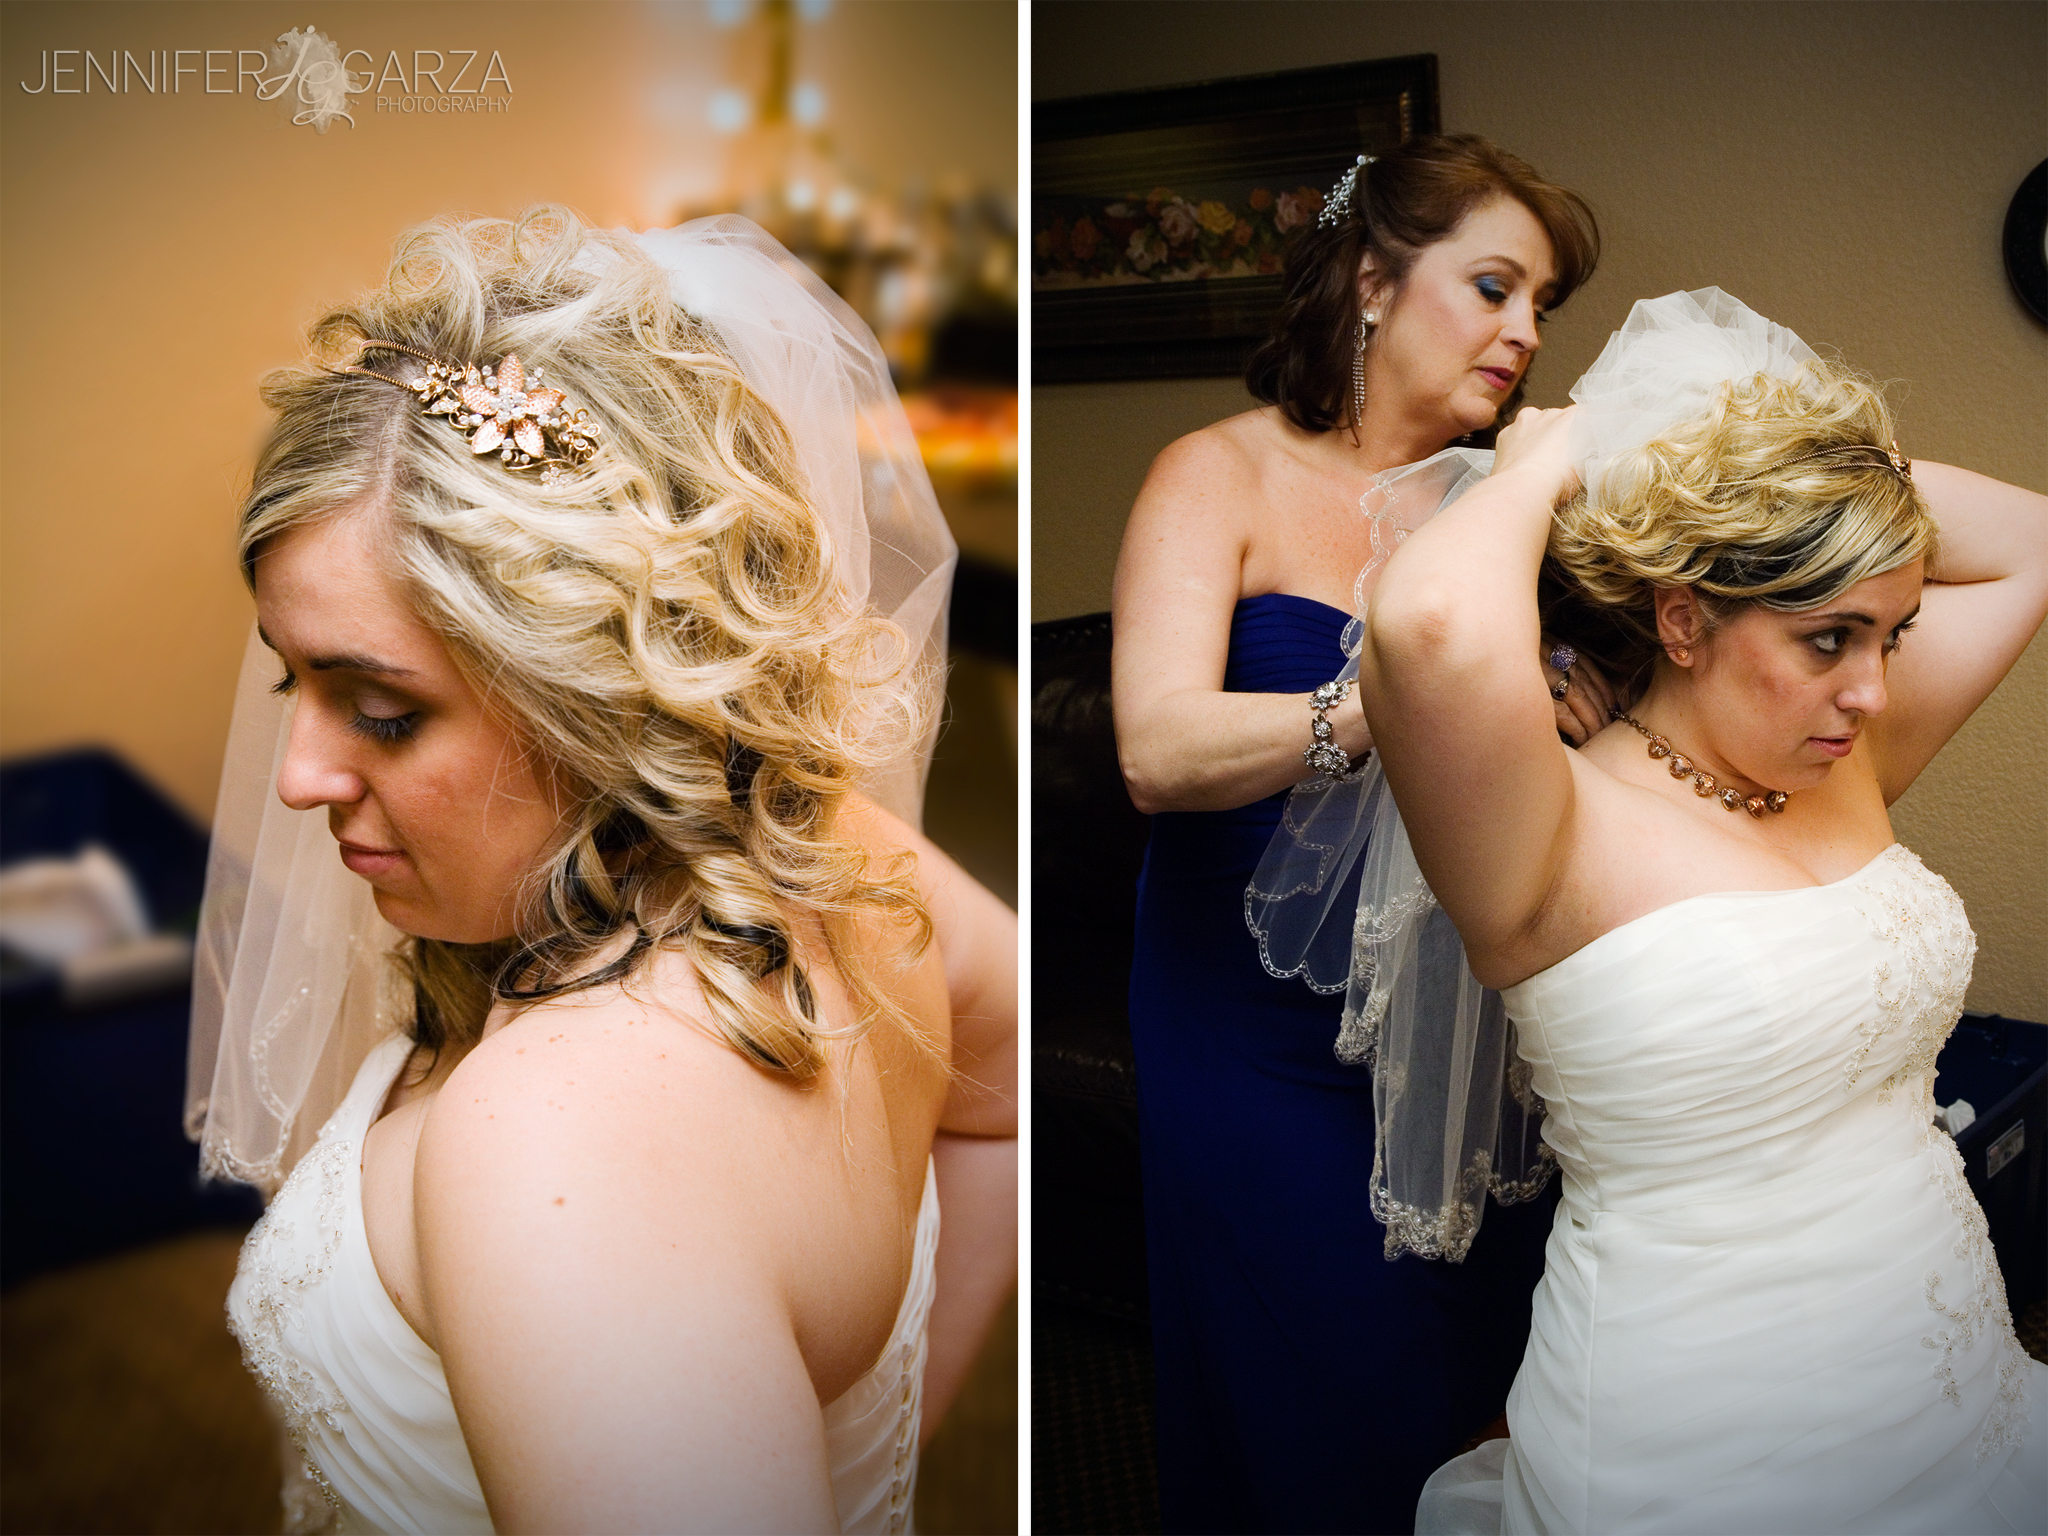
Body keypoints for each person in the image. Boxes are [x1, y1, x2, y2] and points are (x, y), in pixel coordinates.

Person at [185, 209, 1017, 1535]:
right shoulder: (837, 845)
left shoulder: (556, 1142)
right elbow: (1006, 1086)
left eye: (383, 711)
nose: (297, 776)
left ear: (600, 697)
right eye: (295, 680)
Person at [1338, 288, 2047, 1532]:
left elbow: (2034, 537)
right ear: (1680, 618)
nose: (1873, 689)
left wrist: (1793, 463)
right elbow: (1431, 620)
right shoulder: (1547, 834)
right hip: (1699, 1426)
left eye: (1893, 633)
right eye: (1828, 639)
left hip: (1944, 1350)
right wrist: (1559, 455)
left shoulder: (1844, 766)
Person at [1108, 134, 1606, 1533]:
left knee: (1479, 1382)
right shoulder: (1218, 476)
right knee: (1318, 1388)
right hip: (1246, 1025)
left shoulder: (1500, 506)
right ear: (1377, 281)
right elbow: (1154, 748)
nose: (1522, 332)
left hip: (1452, 1021)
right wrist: (1381, 699)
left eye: (1539, 306)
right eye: (1494, 286)